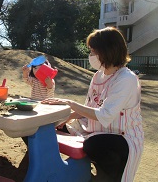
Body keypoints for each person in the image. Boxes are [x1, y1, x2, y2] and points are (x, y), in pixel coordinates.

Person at [42, 27, 144, 182]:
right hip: (94, 130)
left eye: (93, 51)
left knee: (94, 144)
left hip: (121, 137)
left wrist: (70, 103)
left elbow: (104, 115)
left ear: (107, 50)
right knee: (46, 127)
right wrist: (64, 119)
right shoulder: (98, 76)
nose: (90, 55)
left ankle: (111, 175)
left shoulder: (126, 79)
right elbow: (88, 109)